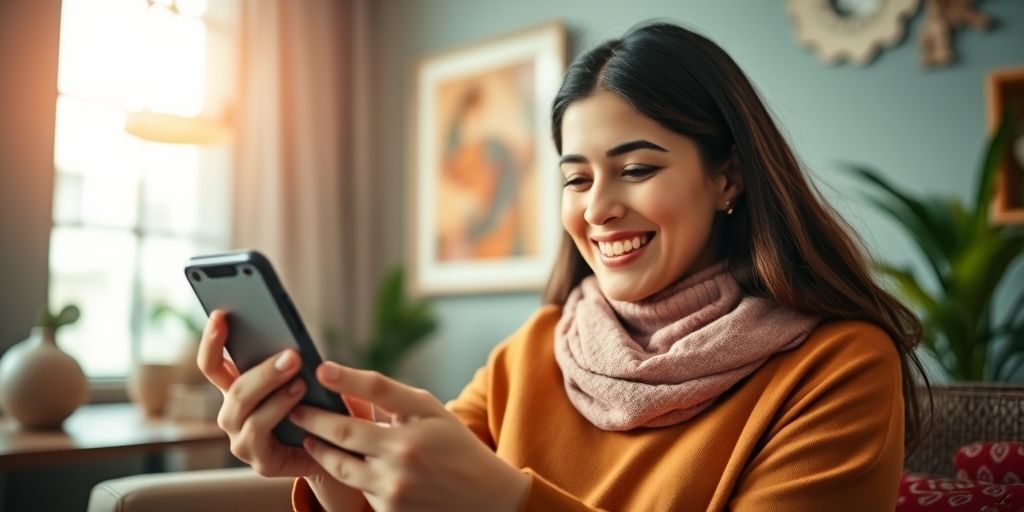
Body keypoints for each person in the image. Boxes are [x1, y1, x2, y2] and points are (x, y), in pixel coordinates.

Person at [198, 22, 928, 511]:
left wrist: (508, 503)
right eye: (576, 179)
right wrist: (333, 469)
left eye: (636, 168)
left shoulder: (839, 365)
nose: (598, 207)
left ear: (727, 177)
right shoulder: (535, 348)